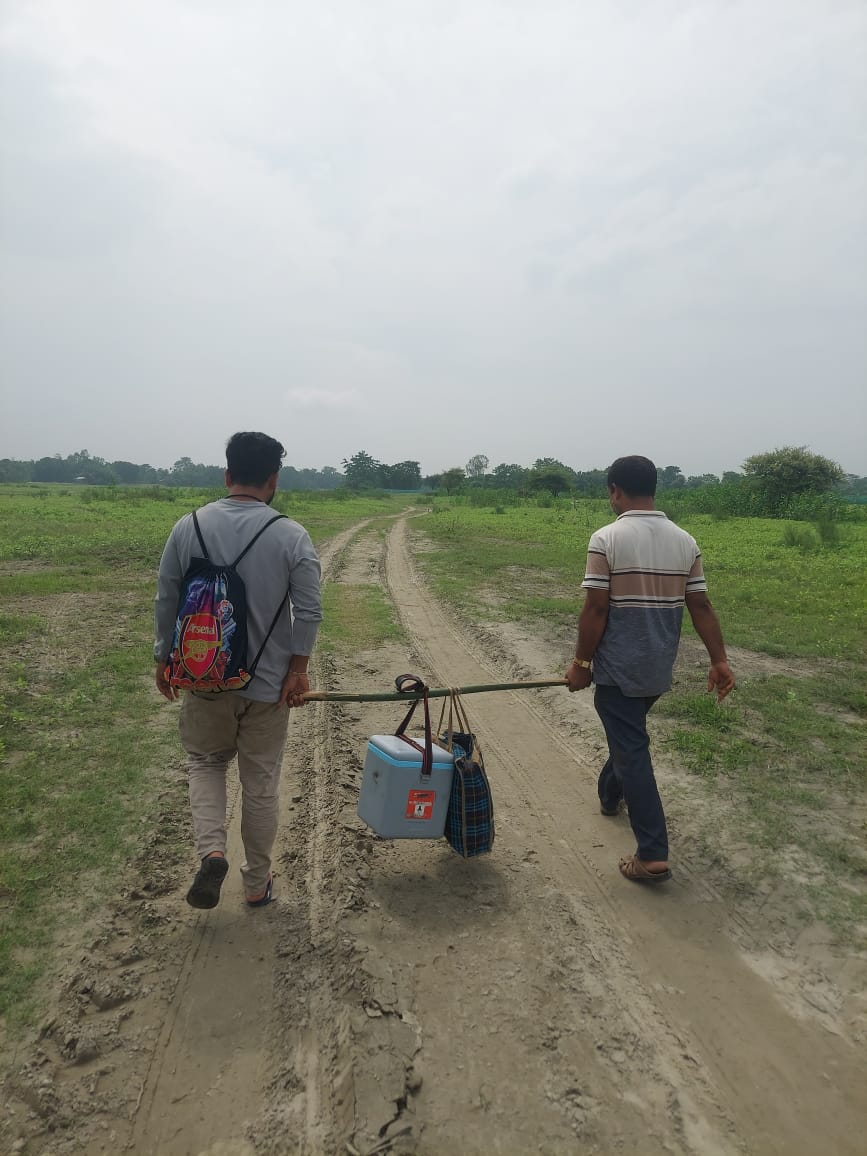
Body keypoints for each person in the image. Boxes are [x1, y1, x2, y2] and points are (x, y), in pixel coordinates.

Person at [154, 431, 322, 909]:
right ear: (274, 480)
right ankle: (256, 884)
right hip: (267, 687)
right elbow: (308, 612)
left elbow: (167, 596)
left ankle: (211, 850)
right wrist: (299, 670)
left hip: (203, 677)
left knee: (206, 762)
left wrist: (163, 657)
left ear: (227, 475)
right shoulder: (290, 535)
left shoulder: (188, 527)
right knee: (261, 783)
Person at [565, 455, 735, 884]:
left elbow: (597, 606)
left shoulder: (606, 538)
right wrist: (719, 660)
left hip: (619, 669)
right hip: (657, 668)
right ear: (654, 488)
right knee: (629, 737)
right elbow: (700, 605)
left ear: (615, 490)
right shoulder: (684, 540)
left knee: (632, 749)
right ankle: (609, 795)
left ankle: (652, 854)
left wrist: (581, 663)